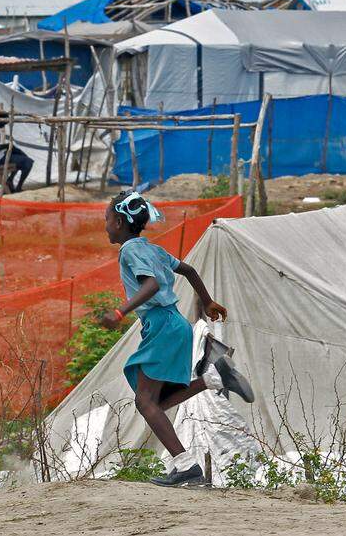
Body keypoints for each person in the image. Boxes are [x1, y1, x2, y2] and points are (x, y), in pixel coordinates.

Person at [103, 191, 254, 487]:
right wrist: (208, 301)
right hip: (176, 325)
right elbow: (188, 269)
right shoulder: (153, 249)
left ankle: (185, 465)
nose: (106, 226)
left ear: (119, 222)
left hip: (162, 325)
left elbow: (152, 283)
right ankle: (214, 379)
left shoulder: (131, 251)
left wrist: (120, 312)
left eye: (107, 220)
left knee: (145, 401)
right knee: (156, 401)